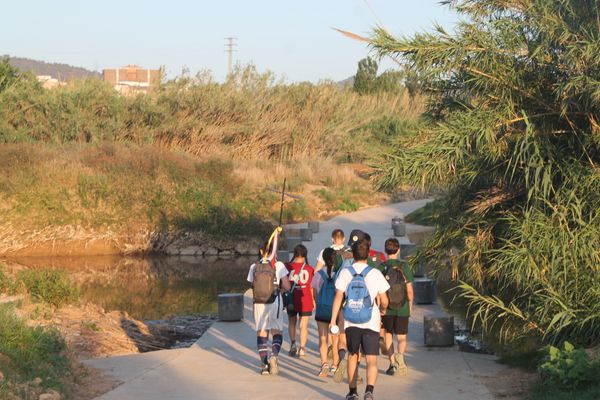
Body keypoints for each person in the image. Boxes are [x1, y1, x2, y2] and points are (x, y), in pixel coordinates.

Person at [330, 239, 390, 400]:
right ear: (368, 254)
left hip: (351, 320)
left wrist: (333, 320)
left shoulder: (345, 272)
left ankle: (352, 392)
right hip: (371, 321)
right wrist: (383, 309)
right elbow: (384, 300)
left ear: (353, 255)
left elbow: (337, 298)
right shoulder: (375, 273)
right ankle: (369, 391)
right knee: (371, 359)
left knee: (353, 356)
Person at [247, 231, 291, 375]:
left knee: (262, 332)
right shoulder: (278, 265)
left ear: (261, 251)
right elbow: (287, 286)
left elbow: (252, 285)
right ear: (274, 250)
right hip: (274, 302)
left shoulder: (254, 266)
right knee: (276, 332)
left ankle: (264, 365)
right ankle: (274, 356)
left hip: (259, 303)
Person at [378, 238, 413, 376]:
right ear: (398, 250)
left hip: (387, 308)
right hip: (403, 307)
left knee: (388, 335)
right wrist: (410, 305)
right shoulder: (404, 267)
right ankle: (401, 356)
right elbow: (409, 291)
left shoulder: (381, 267)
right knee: (402, 337)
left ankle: (392, 363)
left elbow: (378, 291)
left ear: (386, 251)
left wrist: (381, 307)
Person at [312, 247, 340, 377]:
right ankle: (335, 365)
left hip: (322, 310)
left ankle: (324, 364)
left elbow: (315, 293)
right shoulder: (339, 274)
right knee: (335, 340)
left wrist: (319, 303)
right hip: (335, 311)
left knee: (323, 338)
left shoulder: (318, 274)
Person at [286, 244, 314, 358]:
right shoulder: (309, 268)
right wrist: (314, 300)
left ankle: (293, 344)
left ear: (294, 254)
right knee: (304, 325)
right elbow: (312, 287)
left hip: (291, 298)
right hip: (305, 299)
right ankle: (302, 348)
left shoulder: (287, 267)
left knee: (292, 322)